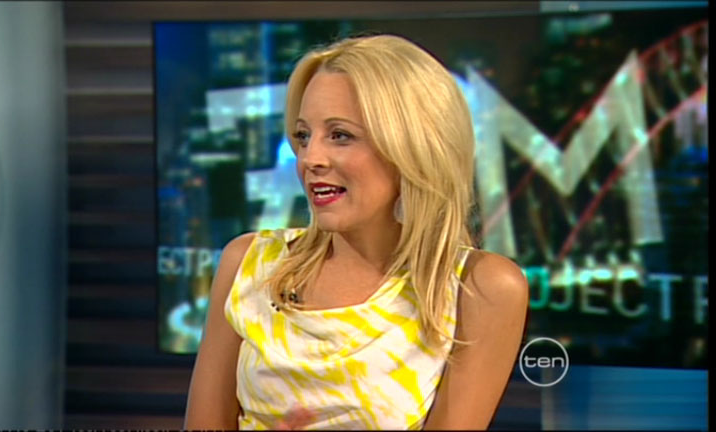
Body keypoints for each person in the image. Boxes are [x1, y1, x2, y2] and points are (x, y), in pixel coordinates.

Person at [184, 34, 529, 430]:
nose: (310, 158)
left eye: (340, 135)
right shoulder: (249, 263)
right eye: (303, 136)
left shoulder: (478, 288)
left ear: (412, 147)